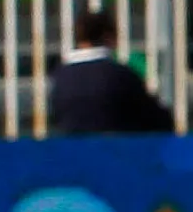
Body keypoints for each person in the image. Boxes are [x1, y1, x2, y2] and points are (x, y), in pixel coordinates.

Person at [48, 7, 176, 136]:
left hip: (73, 152)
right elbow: (156, 118)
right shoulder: (120, 75)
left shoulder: (61, 77)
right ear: (109, 36)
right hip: (116, 151)